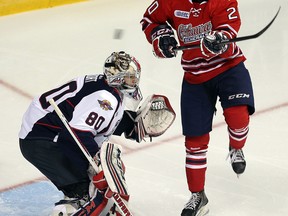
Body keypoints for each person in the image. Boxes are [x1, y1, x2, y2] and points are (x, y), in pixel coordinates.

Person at [140, 0, 255, 215]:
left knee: (238, 117)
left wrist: (219, 39)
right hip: (195, 78)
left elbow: (228, 29)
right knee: (195, 142)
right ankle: (198, 195)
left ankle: (236, 147)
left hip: (228, 67)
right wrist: (161, 36)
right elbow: (149, 20)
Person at [18, 51, 147, 216]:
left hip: (49, 133)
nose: (134, 81)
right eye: (129, 77)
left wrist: (129, 125)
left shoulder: (107, 88)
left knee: (99, 178)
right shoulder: (105, 98)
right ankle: (70, 207)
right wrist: (98, 162)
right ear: (117, 77)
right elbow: (76, 134)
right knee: (86, 193)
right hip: (41, 139)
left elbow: (94, 125)